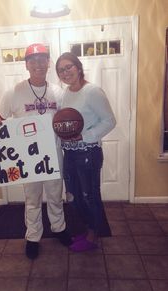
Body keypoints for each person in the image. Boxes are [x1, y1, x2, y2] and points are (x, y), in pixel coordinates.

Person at [0, 44, 72, 259]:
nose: (38, 64)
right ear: (26, 65)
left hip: (54, 154)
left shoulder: (58, 92)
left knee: (55, 195)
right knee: (32, 199)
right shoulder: (14, 92)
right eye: (33, 60)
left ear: (48, 63)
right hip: (29, 158)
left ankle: (59, 228)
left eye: (42, 59)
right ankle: (33, 237)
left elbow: (68, 120)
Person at [55, 52, 116, 252]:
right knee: (74, 196)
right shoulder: (66, 93)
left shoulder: (92, 91)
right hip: (70, 153)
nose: (65, 72)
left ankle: (93, 235)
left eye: (68, 67)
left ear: (78, 67)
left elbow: (109, 121)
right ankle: (85, 228)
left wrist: (85, 136)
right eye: (61, 70)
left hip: (88, 153)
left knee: (89, 196)